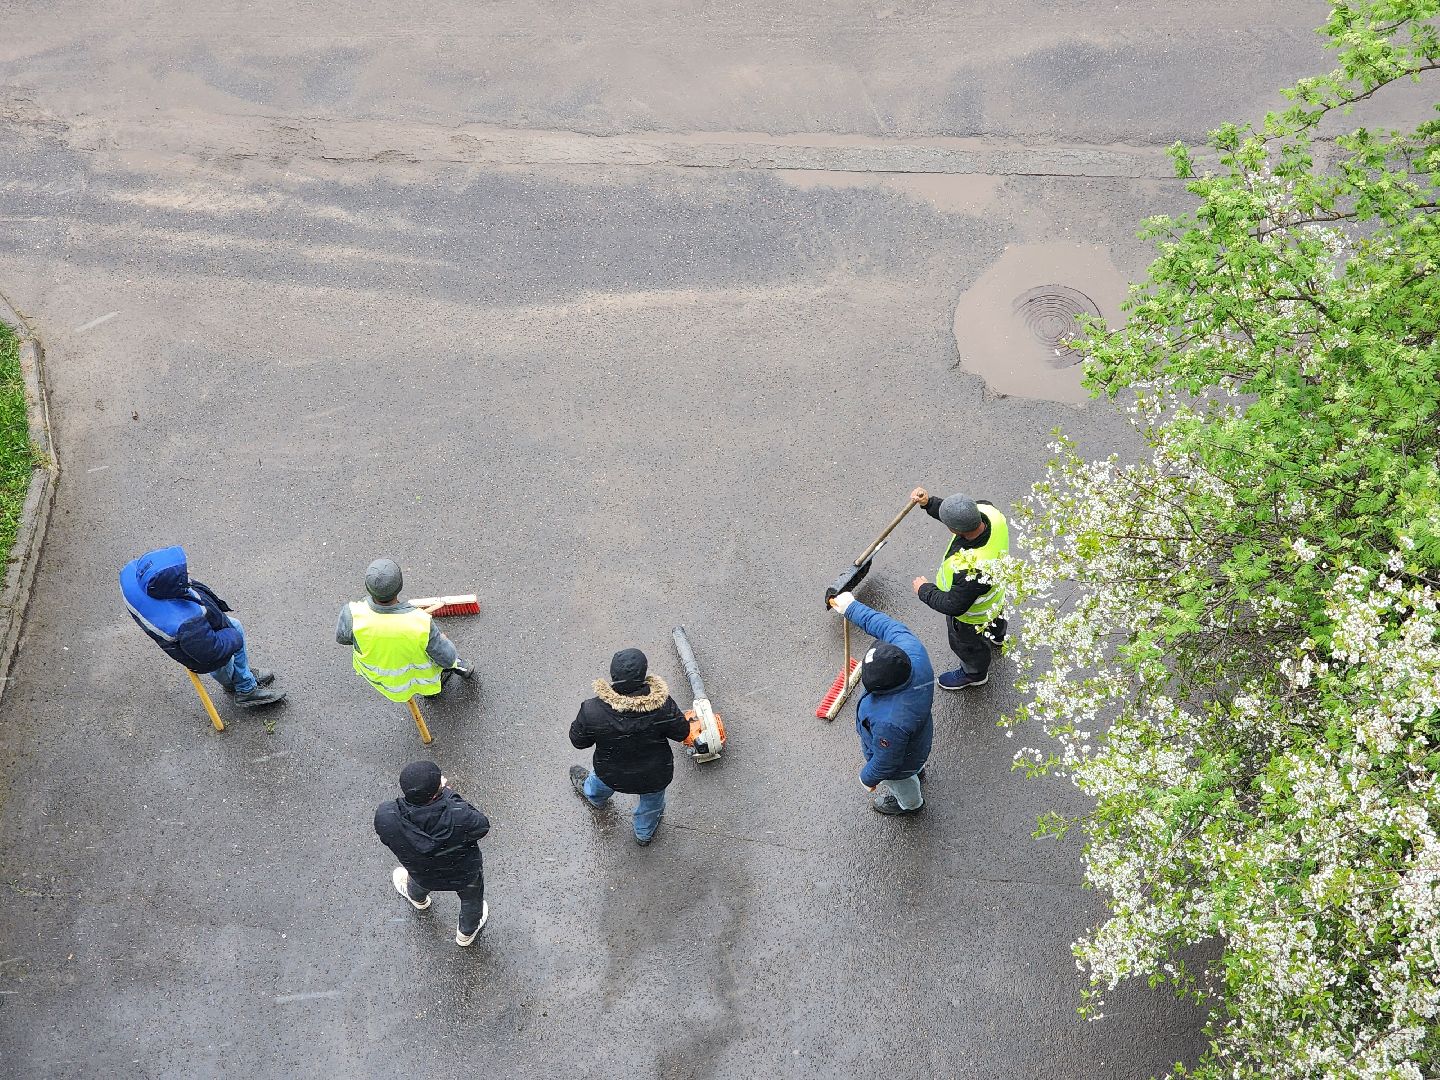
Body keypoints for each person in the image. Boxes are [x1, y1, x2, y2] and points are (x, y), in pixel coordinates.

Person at [119, 545, 286, 708]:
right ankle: (245, 689)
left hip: (197, 639)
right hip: (202, 651)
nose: (188, 573)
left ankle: (241, 676)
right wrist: (234, 637)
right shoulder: (186, 623)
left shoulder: (136, 577)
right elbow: (212, 653)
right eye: (182, 575)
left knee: (235, 627)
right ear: (168, 585)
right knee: (227, 654)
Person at [568, 648, 690, 846]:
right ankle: (643, 833)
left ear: (613, 676)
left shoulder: (592, 710)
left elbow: (578, 741)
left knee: (597, 785)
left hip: (610, 772)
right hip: (655, 775)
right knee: (652, 804)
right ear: (644, 675)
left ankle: (595, 798)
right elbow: (682, 733)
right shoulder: (663, 706)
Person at [828, 591, 934, 815]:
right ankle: (918, 770)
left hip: (900, 764)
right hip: (918, 737)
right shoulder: (912, 650)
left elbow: (887, 761)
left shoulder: (890, 721)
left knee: (901, 781)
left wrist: (868, 778)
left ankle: (910, 804)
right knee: (911, 756)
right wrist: (851, 608)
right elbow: (885, 625)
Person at [375, 760, 491, 946]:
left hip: (421, 871)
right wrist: (449, 795)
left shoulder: (387, 816)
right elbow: (482, 826)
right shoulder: (458, 814)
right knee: (472, 900)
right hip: (464, 873)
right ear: (437, 790)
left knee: (418, 881)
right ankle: (466, 933)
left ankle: (418, 899)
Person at [908, 486, 1010, 691]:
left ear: (956, 531)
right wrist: (929, 503)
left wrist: (924, 590)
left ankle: (975, 674)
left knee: (967, 645)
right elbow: (959, 513)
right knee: (996, 619)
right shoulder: (990, 512)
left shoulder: (971, 570)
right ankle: (999, 637)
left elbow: (953, 605)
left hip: (972, 617)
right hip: (995, 597)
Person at [336, 558, 474, 702]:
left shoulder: (352, 614)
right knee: (441, 653)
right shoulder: (419, 622)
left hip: (381, 681)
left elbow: (342, 638)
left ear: (367, 587)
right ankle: (454, 670)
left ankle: (431, 691)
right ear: (400, 585)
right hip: (416, 677)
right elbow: (445, 655)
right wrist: (448, 651)